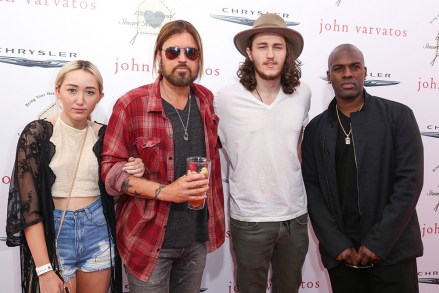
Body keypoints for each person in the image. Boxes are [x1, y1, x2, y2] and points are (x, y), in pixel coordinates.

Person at [100, 19, 225, 293]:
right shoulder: (132, 104)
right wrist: (166, 192)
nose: (183, 59)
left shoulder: (205, 100)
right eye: (173, 52)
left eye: (191, 53)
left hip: (196, 239)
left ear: (199, 59)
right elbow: (110, 174)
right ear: (159, 56)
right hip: (149, 241)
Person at [5, 60, 145, 293]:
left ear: (100, 96)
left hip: (98, 229)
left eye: (89, 92)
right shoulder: (36, 134)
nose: (80, 100)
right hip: (56, 230)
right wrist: (43, 269)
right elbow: (29, 209)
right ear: (58, 91)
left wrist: (134, 167)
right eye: (72, 90)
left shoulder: (108, 135)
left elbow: (118, 185)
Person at [301, 43, 424, 293]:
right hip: (343, 257)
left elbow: (409, 183)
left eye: (354, 67)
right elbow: (311, 190)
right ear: (329, 76)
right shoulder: (316, 130)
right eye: (339, 68)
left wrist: (379, 242)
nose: (347, 73)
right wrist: (337, 245)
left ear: (364, 72)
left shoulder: (398, 116)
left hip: (394, 253)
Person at [214, 13, 310, 293]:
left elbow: (298, 146)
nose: (270, 55)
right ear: (249, 52)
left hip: (295, 216)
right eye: (262, 46)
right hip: (250, 218)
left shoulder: (303, 94)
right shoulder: (225, 99)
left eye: (277, 47)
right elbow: (208, 147)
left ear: (287, 52)